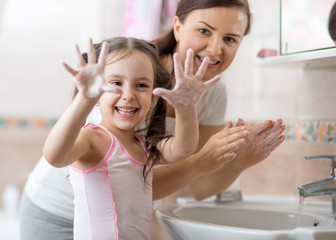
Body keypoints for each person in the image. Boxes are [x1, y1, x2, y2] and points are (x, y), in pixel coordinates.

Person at [19, 0, 286, 239]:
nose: (215, 49)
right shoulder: (124, 76)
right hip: (53, 212)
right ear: (178, 27)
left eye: (230, 39)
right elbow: (63, 156)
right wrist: (85, 98)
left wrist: (236, 161)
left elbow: (195, 176)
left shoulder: (209, 94)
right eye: (204, 30)